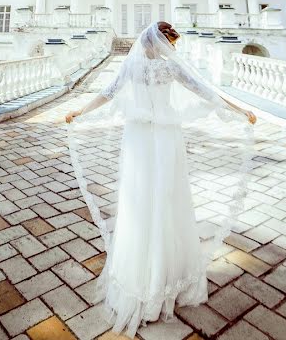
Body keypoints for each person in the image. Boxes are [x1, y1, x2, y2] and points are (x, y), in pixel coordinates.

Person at [64, 21, 256, 338]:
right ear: (159, 42)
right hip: (161, 139)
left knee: (148, 201)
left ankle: (150, 277)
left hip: (143, 139)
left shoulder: (139, 68)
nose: (171, 50)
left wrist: (80, 112)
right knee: (159, 201)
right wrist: (239, 111)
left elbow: (108, 94)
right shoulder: (165, 69)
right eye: (169, 43)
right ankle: (159, 278)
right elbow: (205, 91)